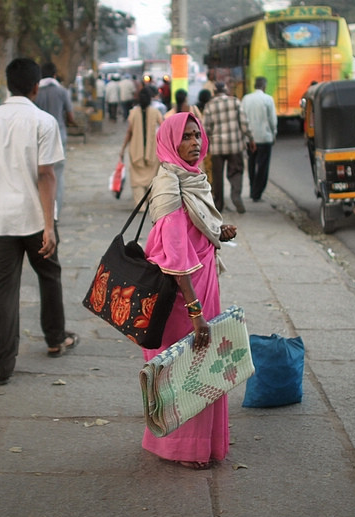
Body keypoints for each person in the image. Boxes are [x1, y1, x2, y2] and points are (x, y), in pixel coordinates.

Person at [0, 58, 79, 386]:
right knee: (49, 274)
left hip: (1, 218)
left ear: (8, 85)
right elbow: (46, 174)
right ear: (35, 87)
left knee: (4, 286)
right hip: (34, 217)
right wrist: (48, 225)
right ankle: (56, 338)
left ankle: (2, 363)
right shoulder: (43, 122)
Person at [142, 112, 238, 469]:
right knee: (188, 370)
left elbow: (198, 228)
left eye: (197, 136)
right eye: (186, 137)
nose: (195, 143)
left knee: (202, 368)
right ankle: (186, 449)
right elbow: (177, 255)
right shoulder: (169, 185)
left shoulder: (194, 179)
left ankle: (201, 444)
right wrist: (196, 314)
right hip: (183, 298)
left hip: (201, 287)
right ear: (170, 142)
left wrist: (218, 230)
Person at [203, 81, 255, 213]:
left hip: (217, 147)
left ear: (214, 92)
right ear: (226, 91)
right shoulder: (235, 102)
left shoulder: (209, 106)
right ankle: (236, 195)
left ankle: (219, 203)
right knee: (236, 171)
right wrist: (251, 138)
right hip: (235, 145)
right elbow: (244, 123)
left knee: (217, 175)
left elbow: (206, 128)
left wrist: (206, 145)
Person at [35, 62, 76, 218]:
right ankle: (54, 213)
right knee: (56, 175)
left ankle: (41, 212)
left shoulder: (35, 93)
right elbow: (71, 117)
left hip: (38, 139)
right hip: (58, 136)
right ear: (54, 75)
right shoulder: (62, 92)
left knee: (39, 175)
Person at [119, 87, 164, 207]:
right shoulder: (155, 112)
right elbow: (163, 128)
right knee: (151, 176)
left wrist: (123, 149)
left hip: (135, 150)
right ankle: (149, 199)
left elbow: (129, 132)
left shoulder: (133, 112)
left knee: (137, 178)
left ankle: (140, 204)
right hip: (152, 150)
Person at [240, 76, 277, 202]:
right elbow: (272, 120)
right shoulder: (268, 99)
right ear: (264, 86)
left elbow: (242, 118)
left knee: (251, 163)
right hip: (264, 137)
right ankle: (257, 192)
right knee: (263, 166)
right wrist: (274, 133)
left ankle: (252, 188)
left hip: (250, 139)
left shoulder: (246, 99)